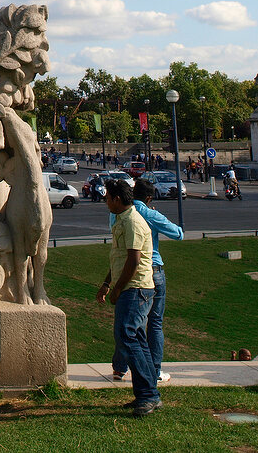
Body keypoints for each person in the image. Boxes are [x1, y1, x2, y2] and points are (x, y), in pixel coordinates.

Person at [110, 178, 183, 385]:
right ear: (149, 198)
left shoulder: (119, 213)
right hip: (150, 270)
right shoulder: (149, 214)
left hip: (124, 269)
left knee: (129, 324)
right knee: (154, 324)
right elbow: (178, 234)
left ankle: (120, 368)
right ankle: (154, 370)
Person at [96, 178, 159, 416]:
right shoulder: (122, 220)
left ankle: (148, 395)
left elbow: (133, 261)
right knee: (135, 340)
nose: (105, 202)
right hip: (132, 288)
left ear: (117, 199)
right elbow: (119, 259)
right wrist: (106, 284)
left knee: (126, 335)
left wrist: (117, 290)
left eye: (107, 198)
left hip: (137, 289)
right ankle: (147, 393)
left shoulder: (132, 221)